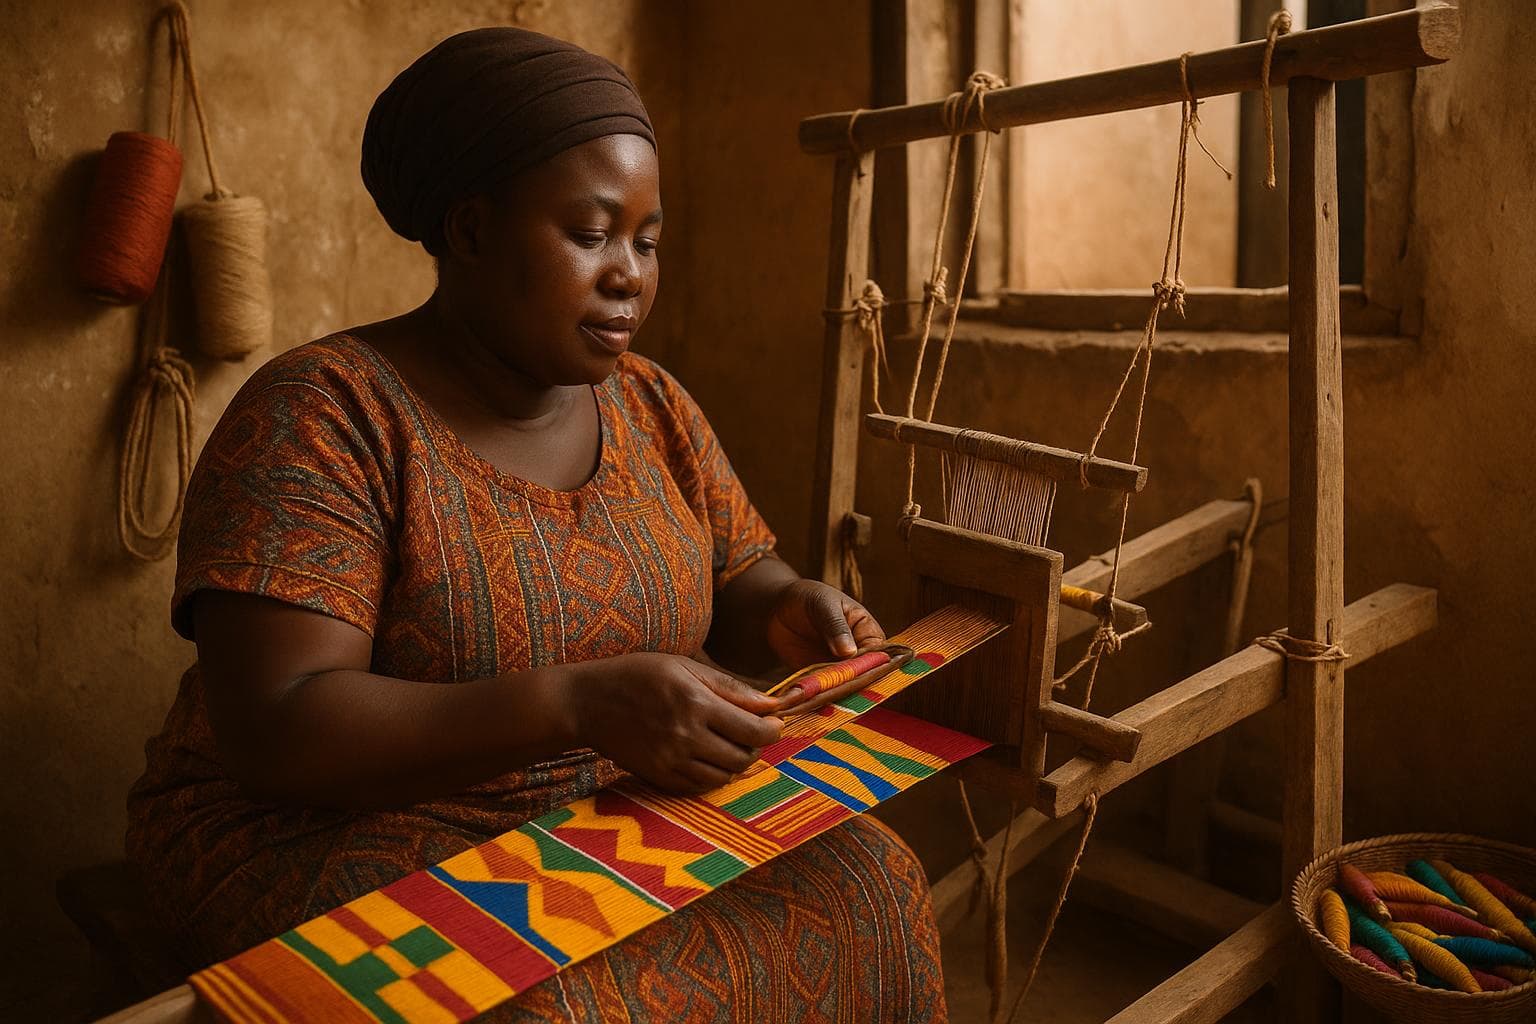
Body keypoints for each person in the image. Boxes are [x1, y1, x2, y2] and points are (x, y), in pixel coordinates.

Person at [127, 26, 948, 1022]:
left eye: (647, 241)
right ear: (471, 230)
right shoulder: (325, 415)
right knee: (549, 1005)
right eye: (592, 234)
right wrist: (575, 704)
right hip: (331, 821)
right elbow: (280, 726)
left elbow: (741, 577)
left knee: (870, 884)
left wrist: (787, 609)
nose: (629, 275)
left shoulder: (652, 403)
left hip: (599, 796)